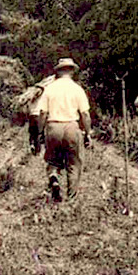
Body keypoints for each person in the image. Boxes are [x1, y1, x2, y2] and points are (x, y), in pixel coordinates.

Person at [37, 58, 92, 202]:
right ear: (72, 71)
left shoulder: (49, 89)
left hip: (53, 126)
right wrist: (87, 133)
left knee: (53, 161)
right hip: (71, 127)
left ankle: (54, 178)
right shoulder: (77, 89)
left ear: (58, 71)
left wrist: (40, 132)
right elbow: (85, 114)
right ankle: (71, 199)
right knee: (73, 164)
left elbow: (42, 112)